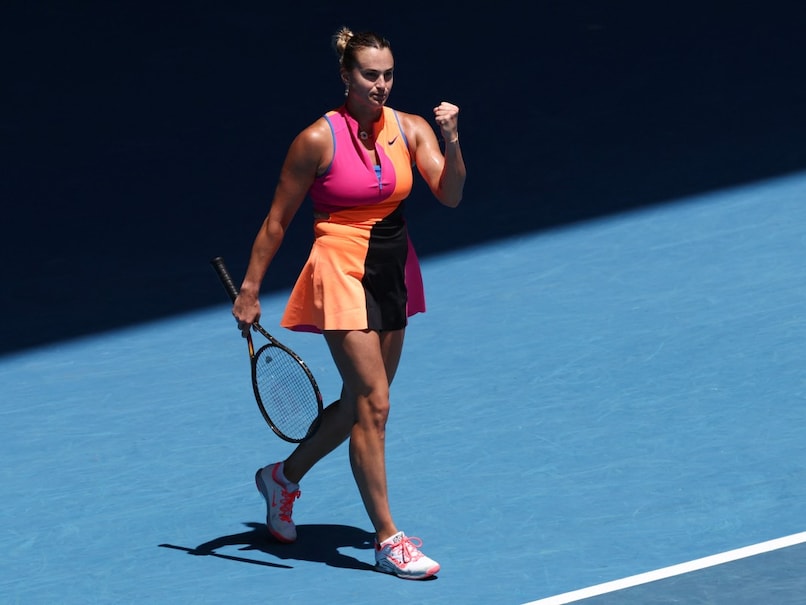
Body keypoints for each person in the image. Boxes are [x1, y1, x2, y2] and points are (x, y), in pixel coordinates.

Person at [231, 26, 465, 580]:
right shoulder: (316, 140)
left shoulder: (410, 129)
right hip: (339, 266)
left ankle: (281, 478)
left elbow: (450, 195)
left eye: (388, 75)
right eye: (369, 75)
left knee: (361, 404)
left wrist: (451, 140)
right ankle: (389, 539)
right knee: (375, 406)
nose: (380, 85)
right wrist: (249, 289)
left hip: (393, 265)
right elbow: (276, 221)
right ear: (346, 77)